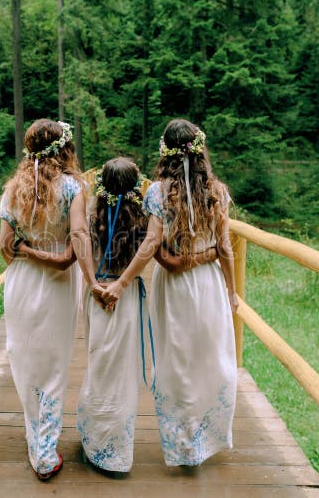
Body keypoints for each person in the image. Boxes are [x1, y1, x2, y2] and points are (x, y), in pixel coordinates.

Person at [101, 119, 240, 467]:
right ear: (200, 150)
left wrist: (121, 282)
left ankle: (184, 444)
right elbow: (225, 247)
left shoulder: (158, 193)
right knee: (210, 359)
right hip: (209, 285)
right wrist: (232, 292)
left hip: (174, 289)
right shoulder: (217, 192)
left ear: (164, 153)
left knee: (176, 361)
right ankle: (205, 436)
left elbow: (150, 244)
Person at [78, 156, 218, 473]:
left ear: (100, 186)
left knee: (98, 364)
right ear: (136, 188)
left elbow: (80, 249)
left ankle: (97, 441)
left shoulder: (90, 219)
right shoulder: (143, 222)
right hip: (126, 301)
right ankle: (117, 453)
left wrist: (94, 285)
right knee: (123, 373)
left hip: (97, 297)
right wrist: (124, 283)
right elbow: (151, 250)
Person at [0, 119, 102, 480]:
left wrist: (28, 249)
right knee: (54, 364)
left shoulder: (12, 191)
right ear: (64, 150)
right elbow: (76, 238)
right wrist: (77, 271)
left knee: (24, 358)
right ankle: (44, 449)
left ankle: (36, 440)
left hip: (21, 283)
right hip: (58, 285)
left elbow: (6, 251)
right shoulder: (73, 188)